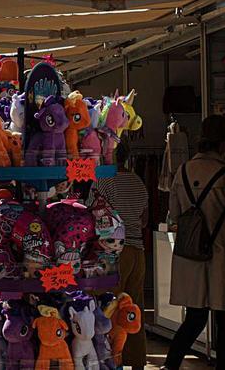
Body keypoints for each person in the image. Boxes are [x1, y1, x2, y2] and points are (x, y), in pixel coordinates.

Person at [163, 116, 225, 370]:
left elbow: (175, 212)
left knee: (194, 318)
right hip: (221, 254)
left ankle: (171, 365)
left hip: (191, 254)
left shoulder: (182, 171)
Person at [94, 140, 149, 369]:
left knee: (110, 308)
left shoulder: (104, 180)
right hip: (138, 251)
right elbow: (144, 219)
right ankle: (137, 361)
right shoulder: (138, 181)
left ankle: (112, 359)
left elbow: (94, 214)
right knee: (133, 309)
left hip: (114, 253)